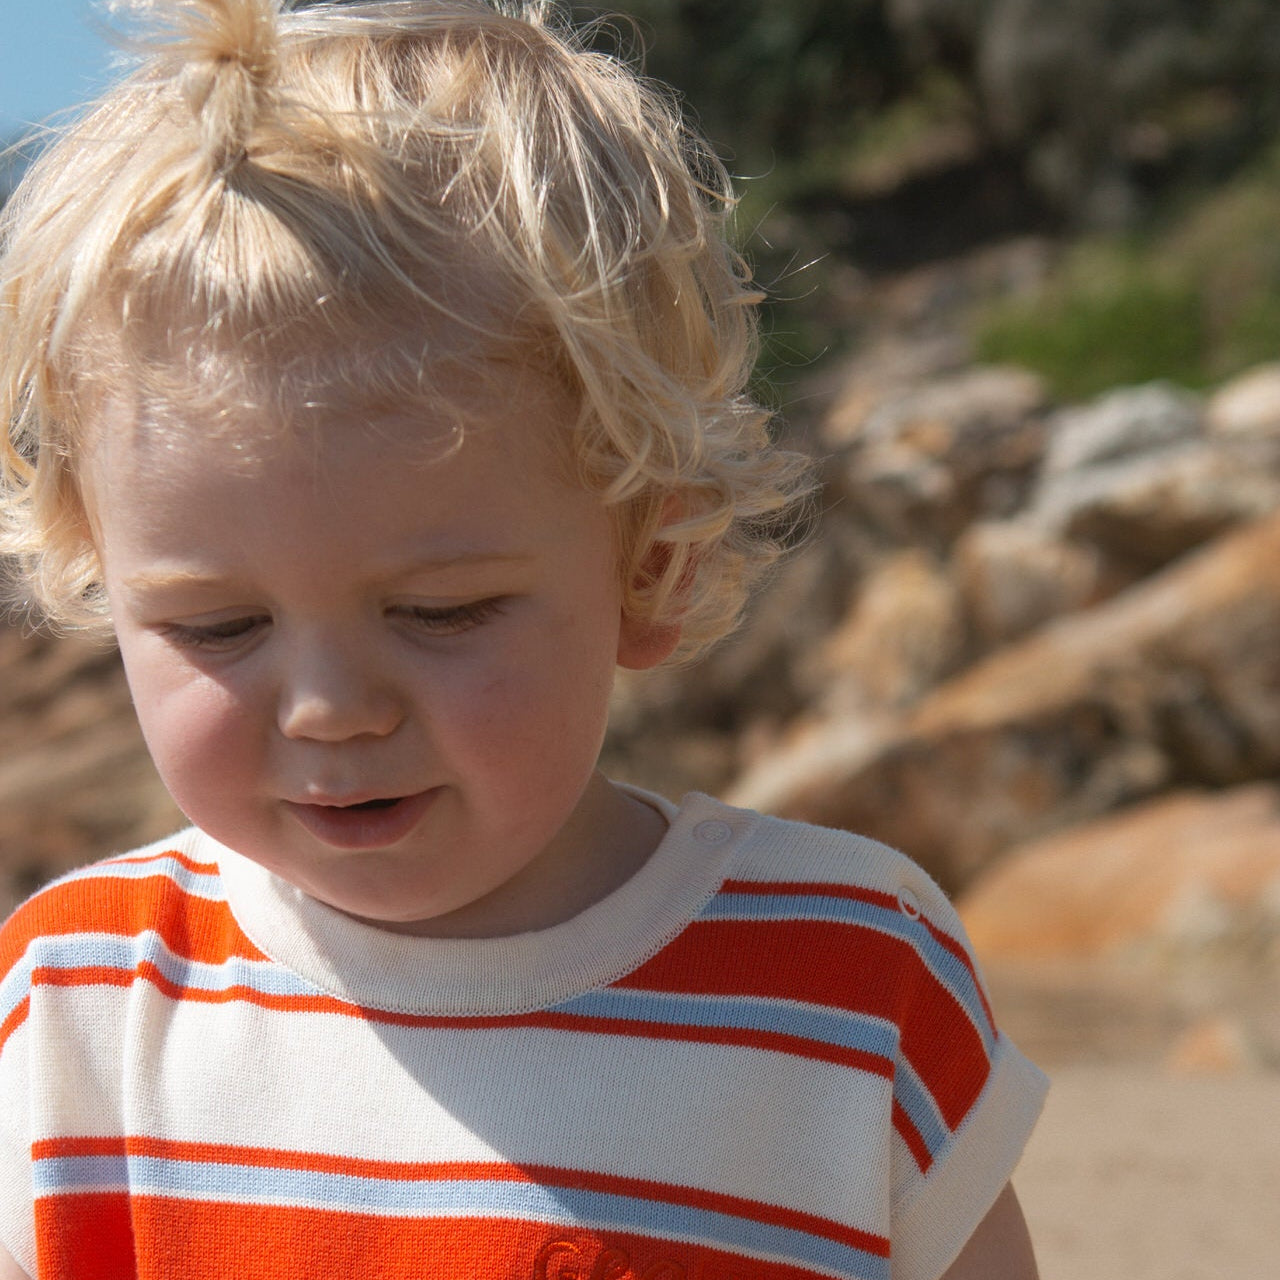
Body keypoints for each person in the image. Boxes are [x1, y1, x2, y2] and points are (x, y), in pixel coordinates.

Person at [0, 2, 1048, 1277]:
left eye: (440, 611)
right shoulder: (78, 993)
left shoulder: (846, 975)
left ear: (648, 565)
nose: (329, 706)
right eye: (217, 623)